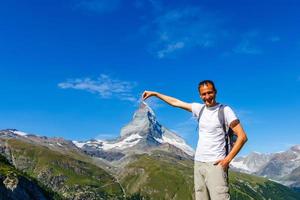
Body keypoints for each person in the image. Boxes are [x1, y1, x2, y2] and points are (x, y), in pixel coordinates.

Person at [142, 80, 248, 200]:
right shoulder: (199, 109)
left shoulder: (225, 110)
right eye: (204, 94)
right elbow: (175, 102)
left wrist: (227, 160)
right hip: (198, 163)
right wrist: (155, 94)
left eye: (210, 92)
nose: (207, 97)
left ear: (215, 92)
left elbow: (242, 137)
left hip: (216, 165)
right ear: (200, 95)